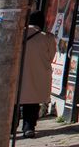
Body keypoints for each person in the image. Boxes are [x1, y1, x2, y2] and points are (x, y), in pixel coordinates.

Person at [13, 11, 54, 139]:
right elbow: (51, 56)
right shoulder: (47, 37)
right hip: (38, 73)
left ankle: (11, 126)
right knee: (32, 101)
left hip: (17, 73)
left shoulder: (17, 34)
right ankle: (28, 127)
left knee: (14, 100)